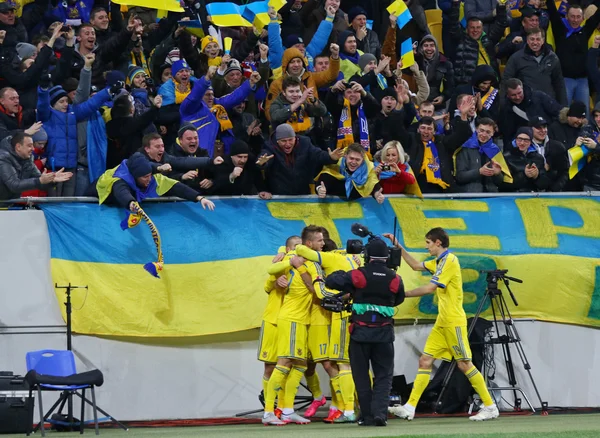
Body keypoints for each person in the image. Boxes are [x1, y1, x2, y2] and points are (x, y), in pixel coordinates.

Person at [385, 228, 499, 421]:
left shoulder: (449, 261)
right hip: (442, 322)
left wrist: (403, 294)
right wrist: (398, 245)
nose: (426, 246)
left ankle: (490, 406)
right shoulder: (439, 261)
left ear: (438, 243)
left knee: (464, 364)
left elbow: (430, 288)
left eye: (428, 243)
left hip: (453, 321)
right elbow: (414, 266)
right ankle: (410, 407)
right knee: (425, 361)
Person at [324, 238, 405, 426]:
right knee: (384, 376)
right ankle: (380, 415)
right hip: (384, 334)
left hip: (360, 333)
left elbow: (332, 281)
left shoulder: (358, 275)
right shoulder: (394, 278)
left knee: (361, 377)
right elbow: (399, 298)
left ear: (367, 256)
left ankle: (367, 416)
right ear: (387, 257)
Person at [262, 225, 326, 426]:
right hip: (290, 320)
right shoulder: (295, 262)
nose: (323, 244)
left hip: (302, 321)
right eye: (320, 241)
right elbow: (271, 269)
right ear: (308, 244)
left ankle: (288, 410)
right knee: (282, 364)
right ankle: (269, 412)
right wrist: (288, 258)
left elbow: (336, 253)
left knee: (300, 365)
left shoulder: (311, 262)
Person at [258, 236, 302, 421]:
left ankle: (285, 409)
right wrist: (275, 283)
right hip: (273, 321)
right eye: (295, 248)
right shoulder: (280, 265)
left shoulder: (304, 268)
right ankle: (269, 410)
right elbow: (267, 285)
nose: (298, 251)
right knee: (270, 367)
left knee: (290, 366)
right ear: (288, 249)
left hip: (293, 321)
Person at [92, 152, 215, 210]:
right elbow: (121, 192)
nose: (149, 179)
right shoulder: (120, 179)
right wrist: (131, 203)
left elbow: (176, 187)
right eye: (145, 177)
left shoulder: (149, 174)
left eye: (150, 175)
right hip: (94, 194)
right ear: (135, 177)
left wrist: (200, 198)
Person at [259, 124, 342, 195]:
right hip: (279, 195)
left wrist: (330, 157)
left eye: (290, 140)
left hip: (302, 193)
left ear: (295, 138)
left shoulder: (305, 143)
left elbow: (318, 155)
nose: (287, 144)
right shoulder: (269, 146)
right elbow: (264, 158)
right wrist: (262, 164)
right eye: (283, 141)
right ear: (277, 141)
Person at [502, 28, 567, 106]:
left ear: (543, 40)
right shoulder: (516, 58)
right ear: (527, 40)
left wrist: (563, 106)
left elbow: (559, 83)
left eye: (538, 39)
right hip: (527, 104)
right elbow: (506, 81)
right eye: (532, 39)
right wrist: (503, 105)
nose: (535, 42)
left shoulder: (552, 57)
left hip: (548, 103)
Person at [0, 132, 72, 200]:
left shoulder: (28, 159)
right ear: (18, 147)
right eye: (29, 146)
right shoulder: (3, 157)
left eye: (32, 145)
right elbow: (14, 185)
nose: (33, 149)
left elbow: (39, 180)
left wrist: (51, 179)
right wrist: (39, 181)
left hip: (9, 202)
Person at [453, 118, 509, 193]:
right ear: (476, 129)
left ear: (493, 133)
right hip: (470, 196)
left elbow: (500, 182)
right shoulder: (466, 147)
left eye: (488, 132)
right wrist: (479, 172)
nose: (484, 135)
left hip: (491, 196)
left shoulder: (495, 150)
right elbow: (459, 177)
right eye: (481, 130)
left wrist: (497, 174)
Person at [316, 143, 384, 203]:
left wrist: (377, 194)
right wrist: (320, 189)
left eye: (357, 159)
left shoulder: (369, 167)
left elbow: (373, 183)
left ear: (362, 160)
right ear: (345, 156)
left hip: (357, 204)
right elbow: (324, 178)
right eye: (351, 158)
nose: (353, 162)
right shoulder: (336, 162)